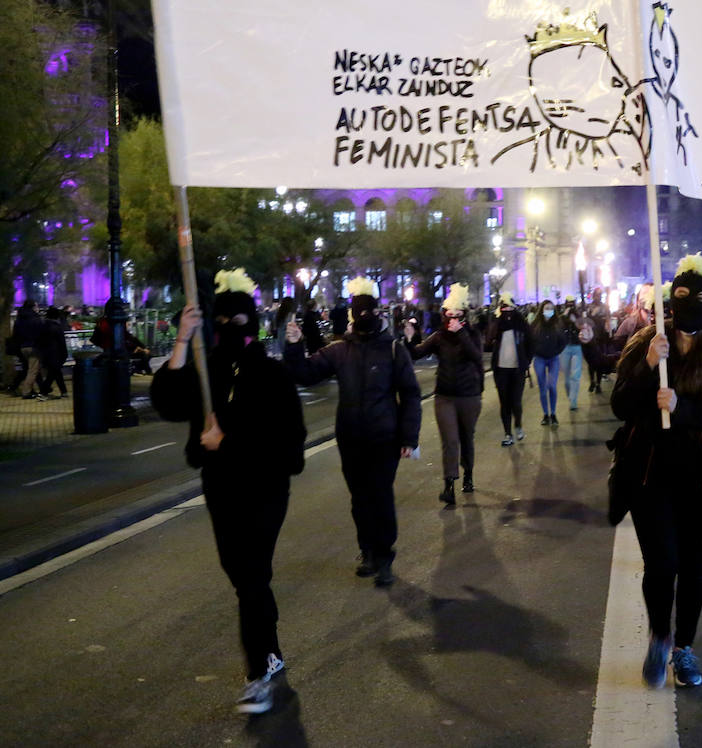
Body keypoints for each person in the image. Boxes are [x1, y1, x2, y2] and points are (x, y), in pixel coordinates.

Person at [150, 269, 306, 715]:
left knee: (253, 576)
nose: (229, 330)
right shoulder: (208, 371)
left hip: (265, 491)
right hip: (220, 488)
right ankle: (271, 651)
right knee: (243, 577)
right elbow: (169, 402)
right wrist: (182, 339)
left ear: (253, 324)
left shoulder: (273, 376)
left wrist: (228, 441)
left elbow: (290, 449)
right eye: (222, 322)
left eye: (238, 322)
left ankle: (258, 672)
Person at [611, 254, 702, 689]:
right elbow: (621, 406)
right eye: (681, 296)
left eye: (699, 298)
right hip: (650, 475)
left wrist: (682, 408)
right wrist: (649, 364)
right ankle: (660, 637)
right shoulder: (645, 343)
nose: (689, 305)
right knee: (661, 563)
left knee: (693, 565)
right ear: (670, 299)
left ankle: (684, 647)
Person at [283, 278, 420, 587]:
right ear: (350, 316)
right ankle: (368, 551)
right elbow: (305, 374)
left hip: (385, 439)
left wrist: (409, 437)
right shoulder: (339, 351)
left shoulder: (394, 350)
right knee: (360, 497)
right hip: (351, 439)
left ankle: (384, 555)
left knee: (380, 496)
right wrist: (293, 346)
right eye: (358, 312)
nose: (364, 318)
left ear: (379, 313)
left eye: (368, 311)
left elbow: (410, 394)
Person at [406, 283, 482, 500]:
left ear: (464, 316)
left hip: (469, 395)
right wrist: (411, 337)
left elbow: (477, 356)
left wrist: (462, 335)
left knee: (467, 437)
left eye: (458, 315)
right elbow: (417, 353)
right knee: (450, 440)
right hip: (445, 396)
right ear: (444, 316)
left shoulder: (472, 333)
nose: (454, 319)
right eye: (450, 315)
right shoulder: (439, 336)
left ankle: (468, 474)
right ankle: (449, 484)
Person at [487, 294, 531, 445]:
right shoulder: (498, 325)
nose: (507, 311)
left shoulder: (521, 324)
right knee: (504, 403)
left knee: (516, 402)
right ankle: (507, 433)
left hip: (517, 370)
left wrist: (526, 362)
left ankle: (518, 425)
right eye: (504, 308)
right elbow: (488, 340)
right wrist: (497, 320)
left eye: (510, 308)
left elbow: (530, 343)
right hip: (501, 370)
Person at [528, 299, 567, 426]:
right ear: (542, 310)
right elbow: (529, 340)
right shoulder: (535, 324)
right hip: (539, 359)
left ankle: (553, 413)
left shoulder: (557, 324)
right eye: (546, 308)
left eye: (551, 308)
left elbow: (563, 341)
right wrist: (534, 351)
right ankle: (545, 414)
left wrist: (557, 351)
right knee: (543, 388)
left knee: (552, 386)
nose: (548, 310)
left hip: (553, 359)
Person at [36, 306, 70, 398]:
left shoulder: (43, 326)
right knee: (54, 373)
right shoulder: (57, 327)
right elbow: (61, 343)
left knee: (55, 373)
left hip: (46, 354)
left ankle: (61, 391)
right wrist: (64, 354)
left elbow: (39, 341)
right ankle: (44, 391)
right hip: (56, 354)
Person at [14, 300, 45, 399]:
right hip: (33, 346)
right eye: (36, 306)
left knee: (29, 369)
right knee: (33, 370)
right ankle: (26, 392)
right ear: (33, 307)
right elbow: (41, 333)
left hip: (22, 347)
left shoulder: (20, 318)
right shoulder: (35, 318)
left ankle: (36, 389)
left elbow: (16, 334)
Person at [560, 301, 586, 413]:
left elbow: (582, 326)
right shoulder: (562, 316)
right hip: (565, 347)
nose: (570, 307)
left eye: (572, 304)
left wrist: (576, 315)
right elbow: (560, 326)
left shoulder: (578, 315)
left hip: (576, 347)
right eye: (568, 304)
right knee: (566, 378)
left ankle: (573, 401)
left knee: (575, 375)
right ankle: (570, 396)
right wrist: (565, 315)